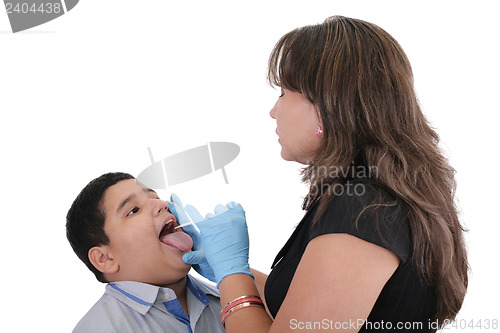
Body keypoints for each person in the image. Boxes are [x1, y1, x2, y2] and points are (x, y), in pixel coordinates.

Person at [172, 16, 469, 332]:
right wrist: (231, 270)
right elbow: (304, 306)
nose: (274, 110)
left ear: (328, 106)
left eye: (284, 92)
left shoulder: (366, 211)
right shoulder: (370, 199)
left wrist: (231, 273)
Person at [66, 172, 225, 333]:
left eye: (155, 198)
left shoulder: (227, 297)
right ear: (105, 258)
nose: (162, 204)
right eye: (134, 210)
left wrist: (231, 274)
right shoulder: (100, 328)